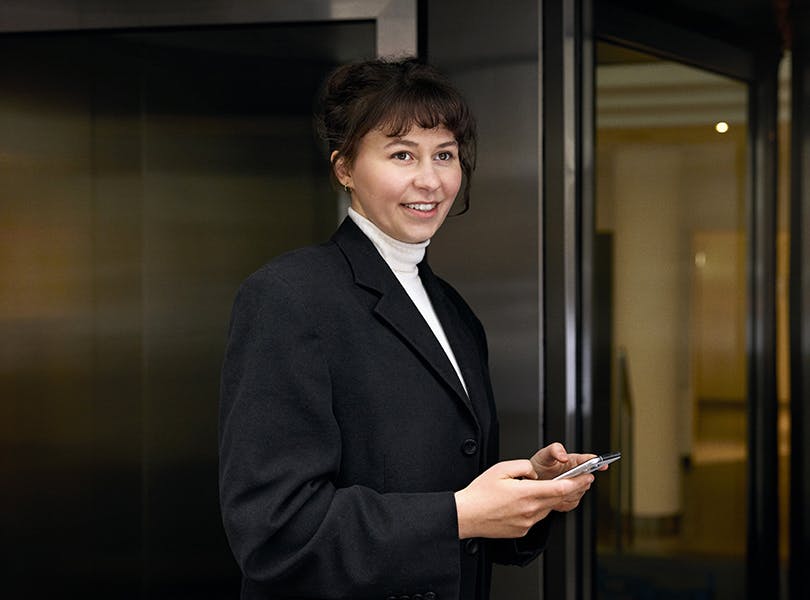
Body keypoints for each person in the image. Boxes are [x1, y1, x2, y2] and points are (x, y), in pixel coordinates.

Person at [219, 57, 599, 600]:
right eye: (402, 155)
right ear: (344, 168)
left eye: (444, 154)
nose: (431, 179)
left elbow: (456, 505)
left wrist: (526, 495)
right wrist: (459, 513)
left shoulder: (453, 311)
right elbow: (274, 530)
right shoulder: (288, 297)